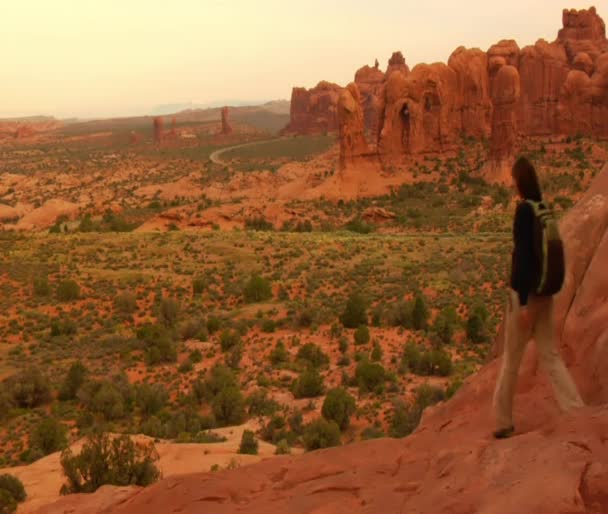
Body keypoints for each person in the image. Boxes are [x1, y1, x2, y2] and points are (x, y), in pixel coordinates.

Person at [492, 156, 584, 439]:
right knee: (551, 354)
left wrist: (520, 304)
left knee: (511, 360)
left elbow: (521, 260)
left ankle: (502, 421)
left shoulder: (523, 211)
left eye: (513, 179)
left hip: (527, 297)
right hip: (546, 294)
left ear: (519, 182)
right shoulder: (543, 207)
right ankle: (575, 408)